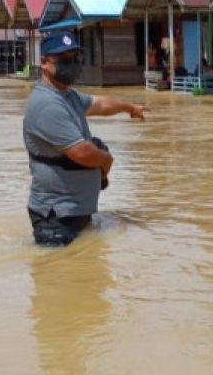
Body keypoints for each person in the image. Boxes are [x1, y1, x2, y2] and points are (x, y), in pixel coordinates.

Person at [23, 31, 148, 246]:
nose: (72, 64)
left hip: (74, 210)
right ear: (44, 62)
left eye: (75, 58)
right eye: (64, 60)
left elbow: (100, 104)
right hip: (55, 219)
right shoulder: (48, 105)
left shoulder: (66, 96)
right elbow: (82, 153)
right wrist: (106, 161)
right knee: (59, 275)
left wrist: (129, 107)